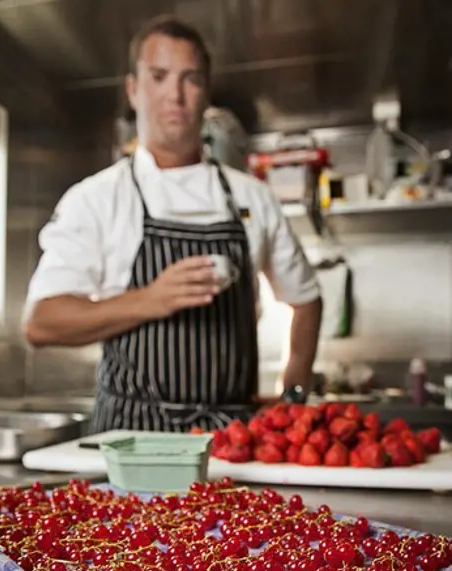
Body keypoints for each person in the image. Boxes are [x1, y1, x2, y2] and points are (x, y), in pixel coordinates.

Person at [23, 16, 322, 433]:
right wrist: (152, 300)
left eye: (191, 79)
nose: (175, 96)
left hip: (230, 443)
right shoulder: (97, 198)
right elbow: (41, 322)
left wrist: (293, 391)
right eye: (159, 76)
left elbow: (305, 298)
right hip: (130, 441)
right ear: (133, 89)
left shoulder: (252, 196)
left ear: (206, 92)